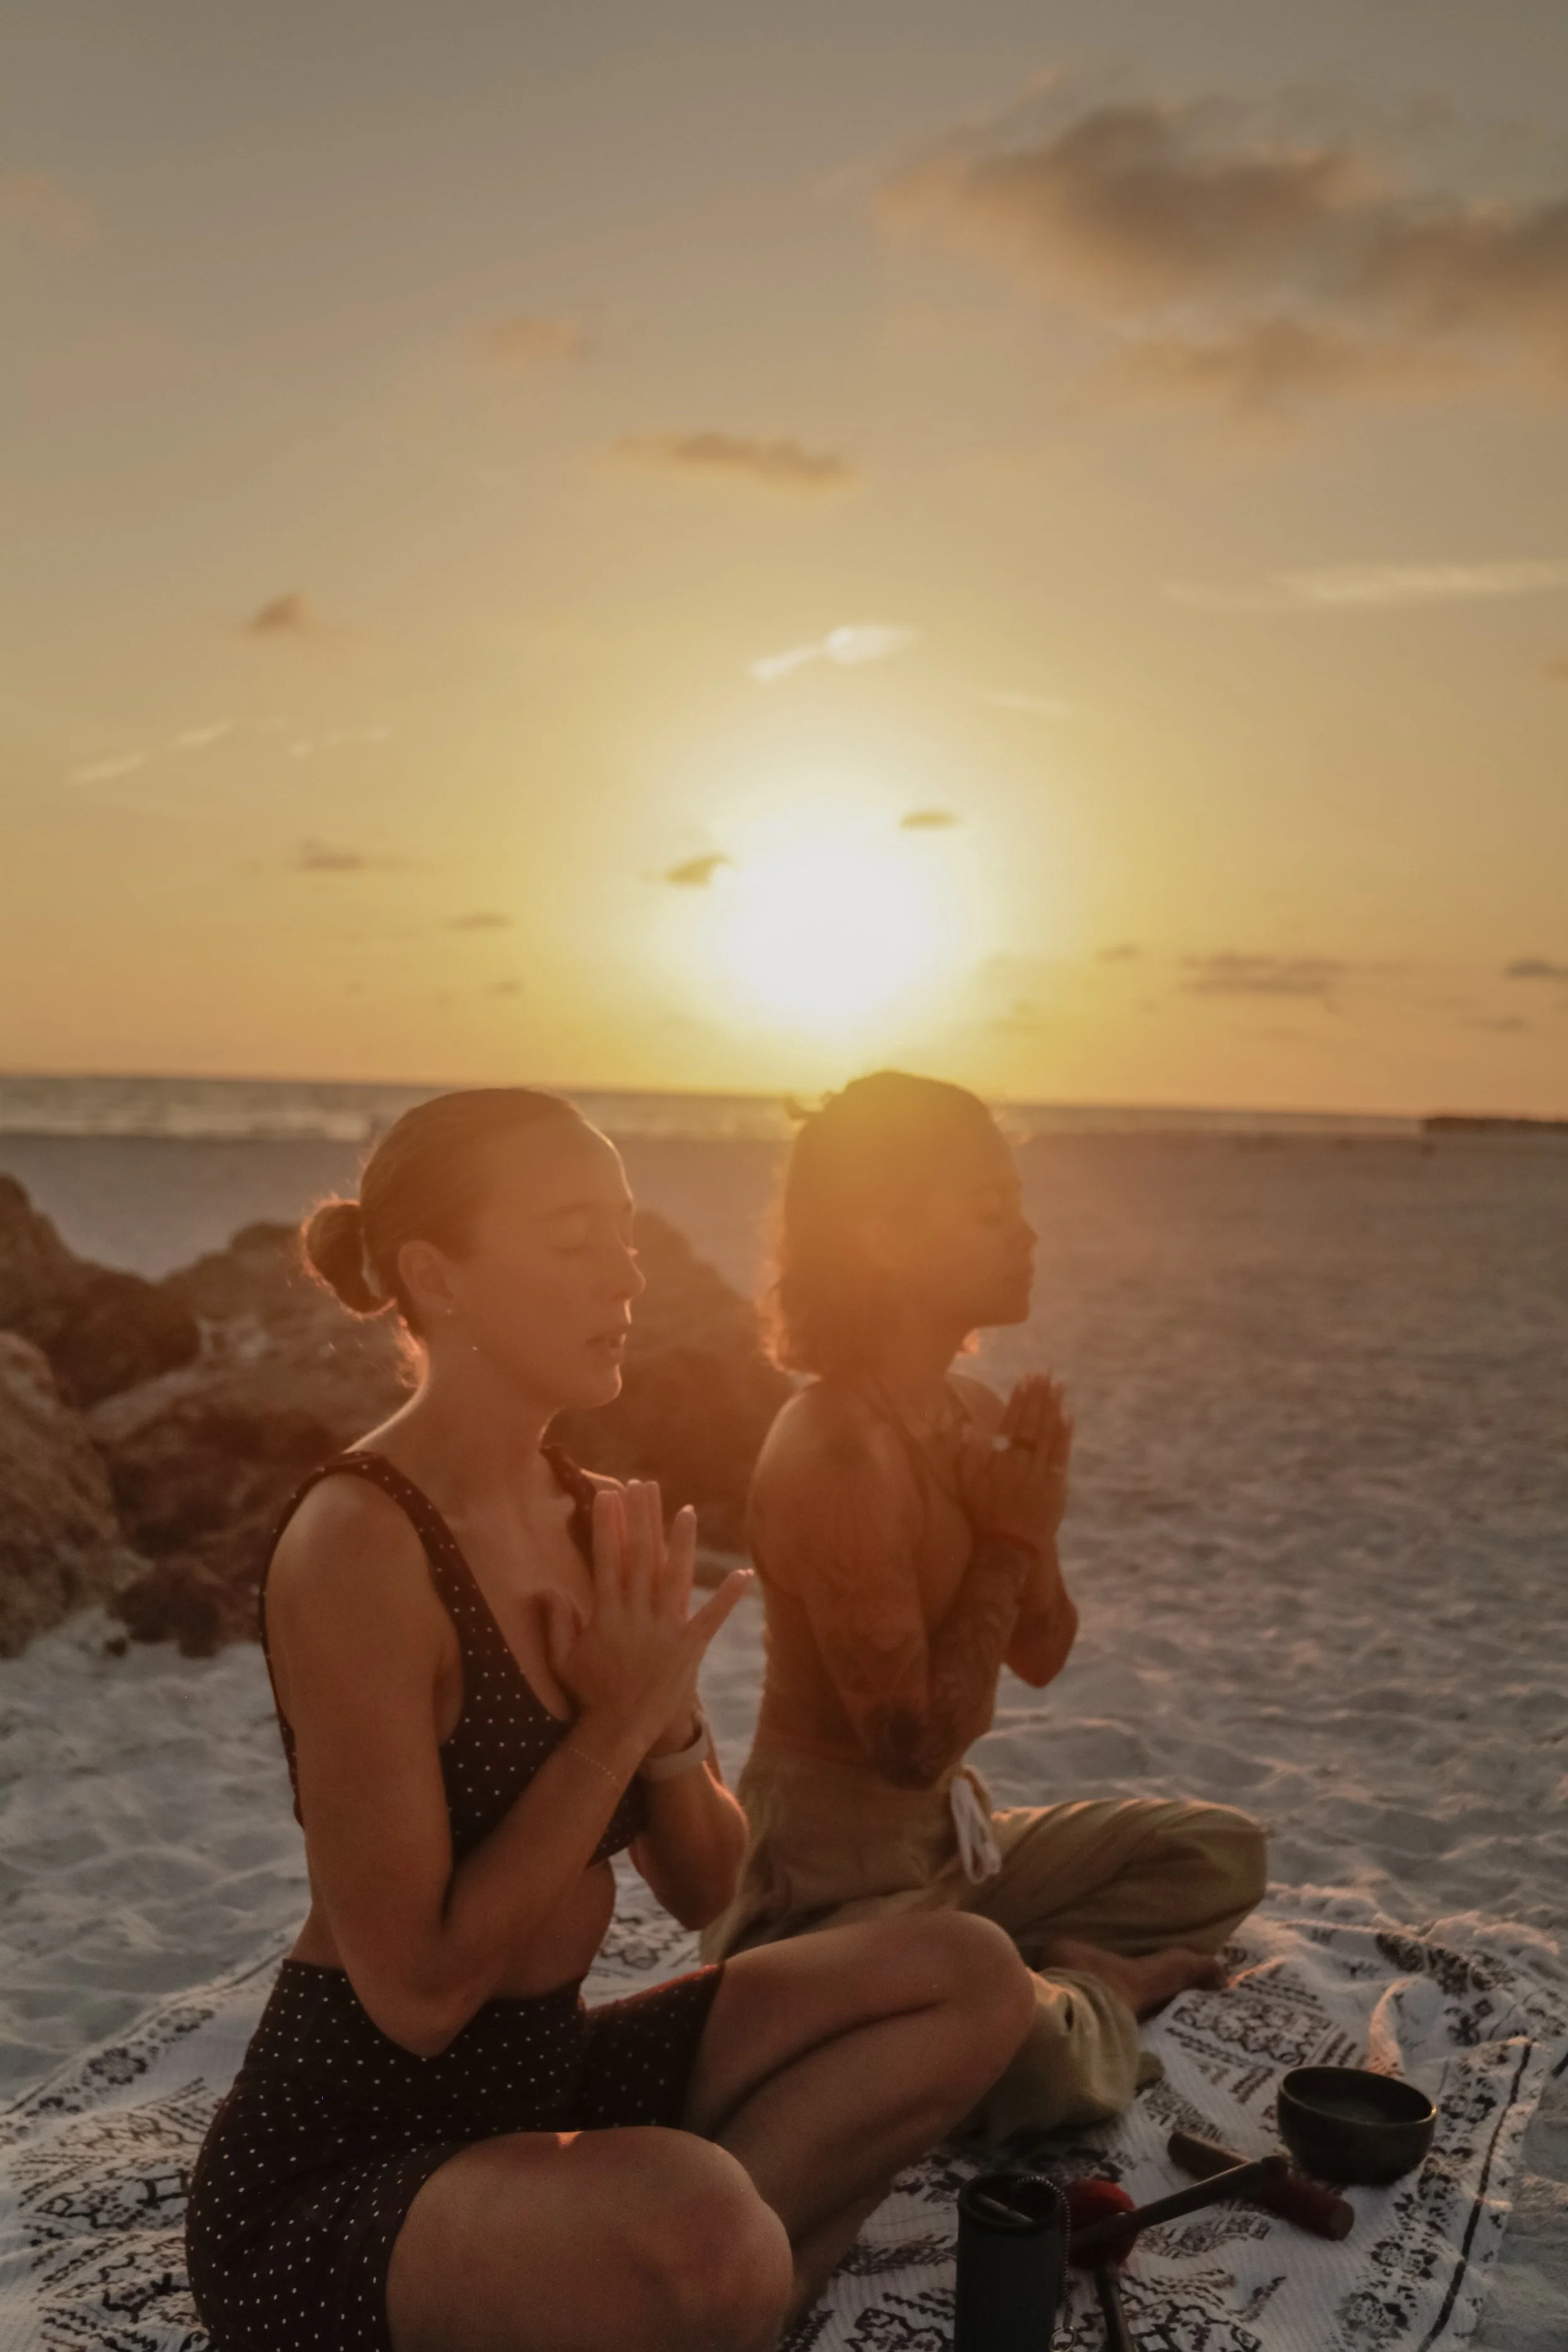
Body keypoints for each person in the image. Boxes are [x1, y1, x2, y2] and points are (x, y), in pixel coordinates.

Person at [184, 1087, 1036, 2352]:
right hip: (353, 2161)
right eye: (576, 1241)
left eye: (628, 1237)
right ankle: (715, 2279)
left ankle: (707, 2293)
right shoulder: (359, 1545)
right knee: (700, 2228)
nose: (625, 1276)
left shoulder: (591, 1518)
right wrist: (608, 1725)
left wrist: (666, 1736)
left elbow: (701, 1887)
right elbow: (415, 1993)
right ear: (440, 1277)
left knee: (971, 1979)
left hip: (543, 2079)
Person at [699, 1071, 1268, 2143]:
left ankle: (1019, 1969)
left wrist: (1030, 1515)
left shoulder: (971, 1410)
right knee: (1035, 2073)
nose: (1029, 1235)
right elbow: (911, 1743)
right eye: (991, 1210)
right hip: (826, 1885)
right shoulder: (836, 1451)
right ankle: (1100, 1991)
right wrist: (1006, 1539)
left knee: (1222, 1852)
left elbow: (1046, 1651)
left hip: (954, 1851)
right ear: (883, 1234)